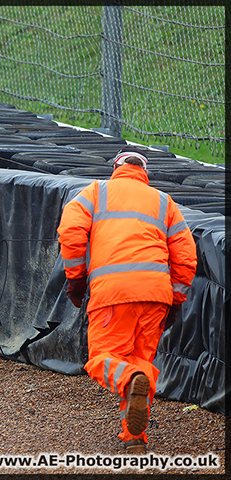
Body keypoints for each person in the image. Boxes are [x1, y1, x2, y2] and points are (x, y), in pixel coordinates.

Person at [57, 145, 197, 453]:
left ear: (116, 168)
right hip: (155, 295)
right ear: (144, 173)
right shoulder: (164, 202)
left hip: (113, 294)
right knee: (140, 362)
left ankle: (129, 381)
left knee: (102, 360)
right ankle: (134, 437)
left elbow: (70, 232)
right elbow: (186, 256)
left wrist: (76, 278)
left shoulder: (95, 193)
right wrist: (175, 299)